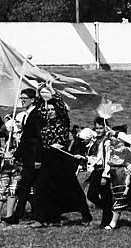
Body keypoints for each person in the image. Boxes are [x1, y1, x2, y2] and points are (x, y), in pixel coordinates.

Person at [29, 90, 92, 227]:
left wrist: (52, 92)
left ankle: (86, 215)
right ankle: (44, 219)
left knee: (72, 188)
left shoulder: (63, 121)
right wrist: (39, 93)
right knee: (42, 188)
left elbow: (62, 107)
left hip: (61, 159)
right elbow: (39, 107)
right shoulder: (44, 123)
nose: (50, 111)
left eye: (53, 109)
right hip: (47, 158)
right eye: (48, 109)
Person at [2, 88, 42, 225]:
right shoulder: (26, 115)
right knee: (25, 188)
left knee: (31, 188)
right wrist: (17, 155)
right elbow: (25, 139)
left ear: (32, 100)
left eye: (25, 98)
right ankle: (18, 216)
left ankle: (36, 216)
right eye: (21, 98)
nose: (22, 101)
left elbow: (37, 139)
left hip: (34, 158)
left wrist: (37, 159)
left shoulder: (36, 115)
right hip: (27, 158)